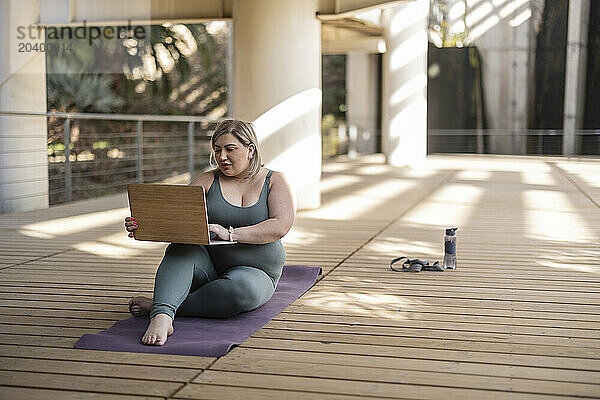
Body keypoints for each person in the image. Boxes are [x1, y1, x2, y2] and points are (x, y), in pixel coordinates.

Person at [125, 119, 296, 346]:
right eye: (217, 150)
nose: (222, 156)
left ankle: (160, 304)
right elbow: (178, 216)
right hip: (208, 267)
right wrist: (145, 224)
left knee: (239, 291)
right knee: (180, 248)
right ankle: (162, 317)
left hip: (256, 272)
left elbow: (280, 225)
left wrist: (231, 234)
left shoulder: (274, 180)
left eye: (230, 149)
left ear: (250, 149)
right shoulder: (208, 179)